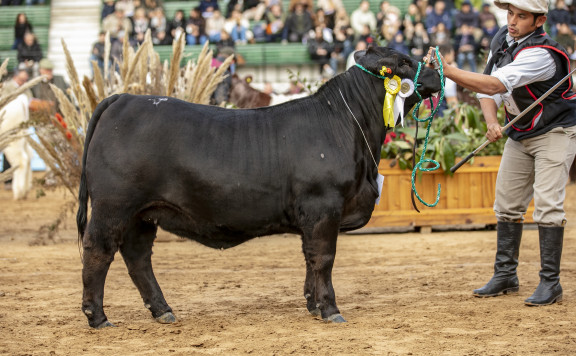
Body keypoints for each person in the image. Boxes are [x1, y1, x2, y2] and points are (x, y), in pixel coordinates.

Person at [425, 0, 576, 306]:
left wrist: (448, 70)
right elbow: (485, 93)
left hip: (555, 132)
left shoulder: (542, 54)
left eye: (521, 16)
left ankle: (551, 283)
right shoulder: (502, 41)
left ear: (539, 21)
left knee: (547, 207)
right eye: (510, 13)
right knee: (506, 206)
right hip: (521, 133)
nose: (512, 21)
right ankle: (506, 276)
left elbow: (494, 85)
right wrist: (492, 122)